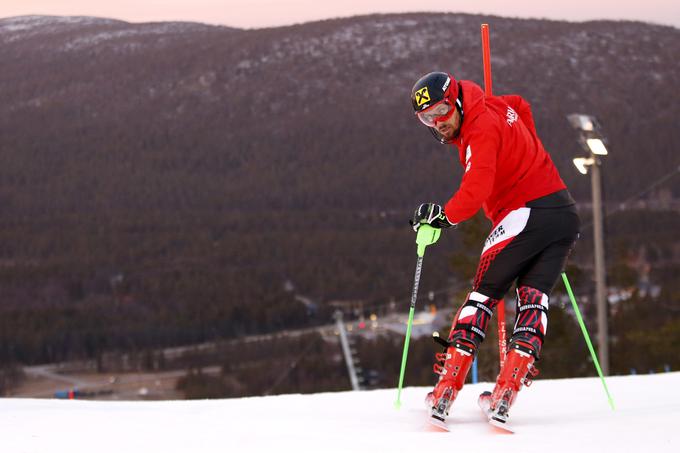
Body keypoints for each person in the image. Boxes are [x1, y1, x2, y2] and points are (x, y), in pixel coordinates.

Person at [409, 71, 580, 425]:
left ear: (456, 100)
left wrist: (442, 217)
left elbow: (475, 190)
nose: (437, 123)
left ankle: (445, 390)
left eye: (441, 111)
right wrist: (524, 145)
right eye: (427, 118)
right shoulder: (492, 106)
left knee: (483, 295)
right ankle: (504, 394)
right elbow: (520, 104)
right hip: (563, 215)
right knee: (534, 299)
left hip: (524, 214)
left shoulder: (478, 130)